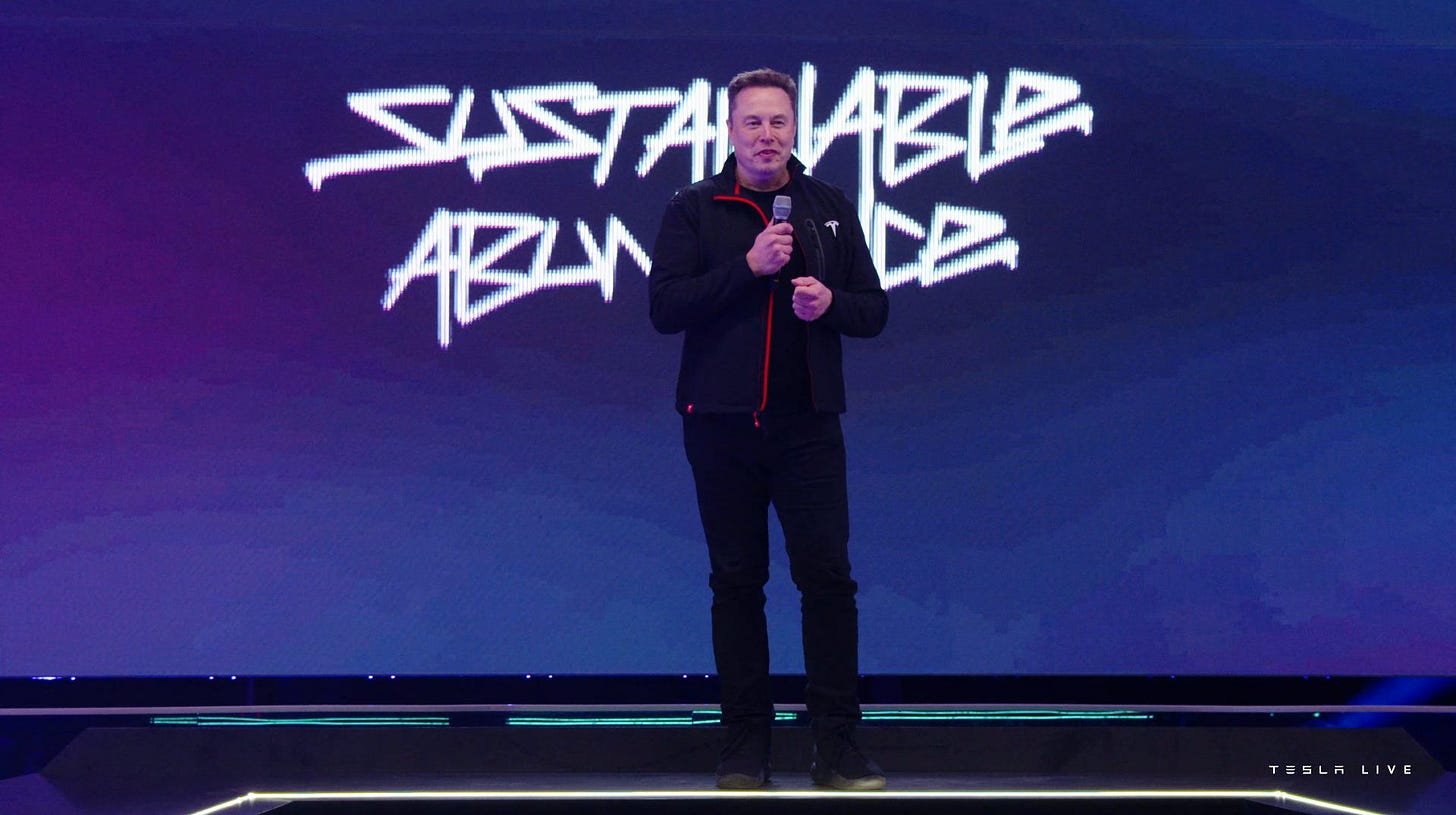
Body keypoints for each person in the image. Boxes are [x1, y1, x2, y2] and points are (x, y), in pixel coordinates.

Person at [648, 67, 889, 791]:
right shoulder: (694, 208)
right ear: (729, 131)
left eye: (778, 121)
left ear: (795, 128)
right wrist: (748, 268)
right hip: (721, 428)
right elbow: (665, 307)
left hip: (807, 426)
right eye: (752, 122)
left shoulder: (828, 205)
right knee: (736, 582)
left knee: (828, 581)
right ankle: (744, 746)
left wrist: (831, 304)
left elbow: (874, 308)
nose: (766, 135)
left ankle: (836, 746)